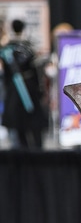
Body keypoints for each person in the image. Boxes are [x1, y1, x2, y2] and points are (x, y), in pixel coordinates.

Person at [0, 19, 46, 150]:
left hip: (16, 91)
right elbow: (36, 71)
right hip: (28, 89)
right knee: (32, 126)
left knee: (21, 128)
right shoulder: (28, 48)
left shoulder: (8, 49)